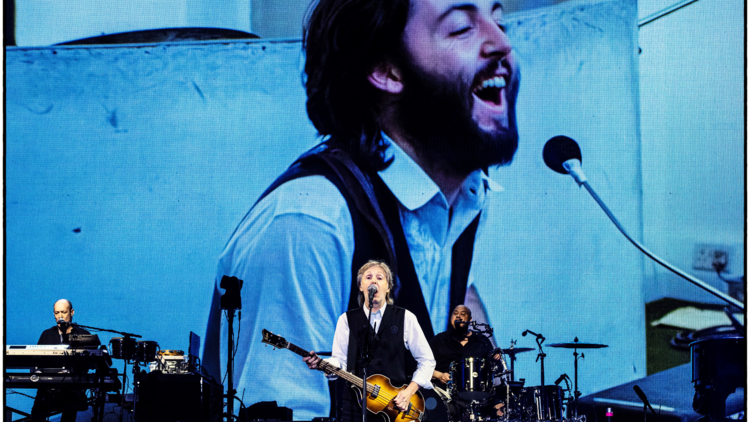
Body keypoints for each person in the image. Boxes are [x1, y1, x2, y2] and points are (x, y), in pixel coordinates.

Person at [203, 0, 520, 418]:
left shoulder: (460, 202)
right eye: (462, 28)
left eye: (499, 22)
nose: (501, 43)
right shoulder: (309, 223)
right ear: (385, 69)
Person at [303, 261, 436, 421]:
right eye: (368, 277)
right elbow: (340, 360)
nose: (374, 281)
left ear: (388, 287)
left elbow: (427, 361)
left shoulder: (405, 317)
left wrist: (408, 392)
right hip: (354, 407)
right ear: (360, 286)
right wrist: (323, 365)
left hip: (394, 406)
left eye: (380, 278)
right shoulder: (346, 320)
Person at [32, 299, 98, 422]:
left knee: (70, 406)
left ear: (71, 312)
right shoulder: (46, 335)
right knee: (37, 414)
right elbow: (37, 361)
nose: (60, 316)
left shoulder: (84, 334)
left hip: (72, 389)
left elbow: (91, 360)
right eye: (57, 313)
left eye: (63, 312)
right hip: (48, 388)